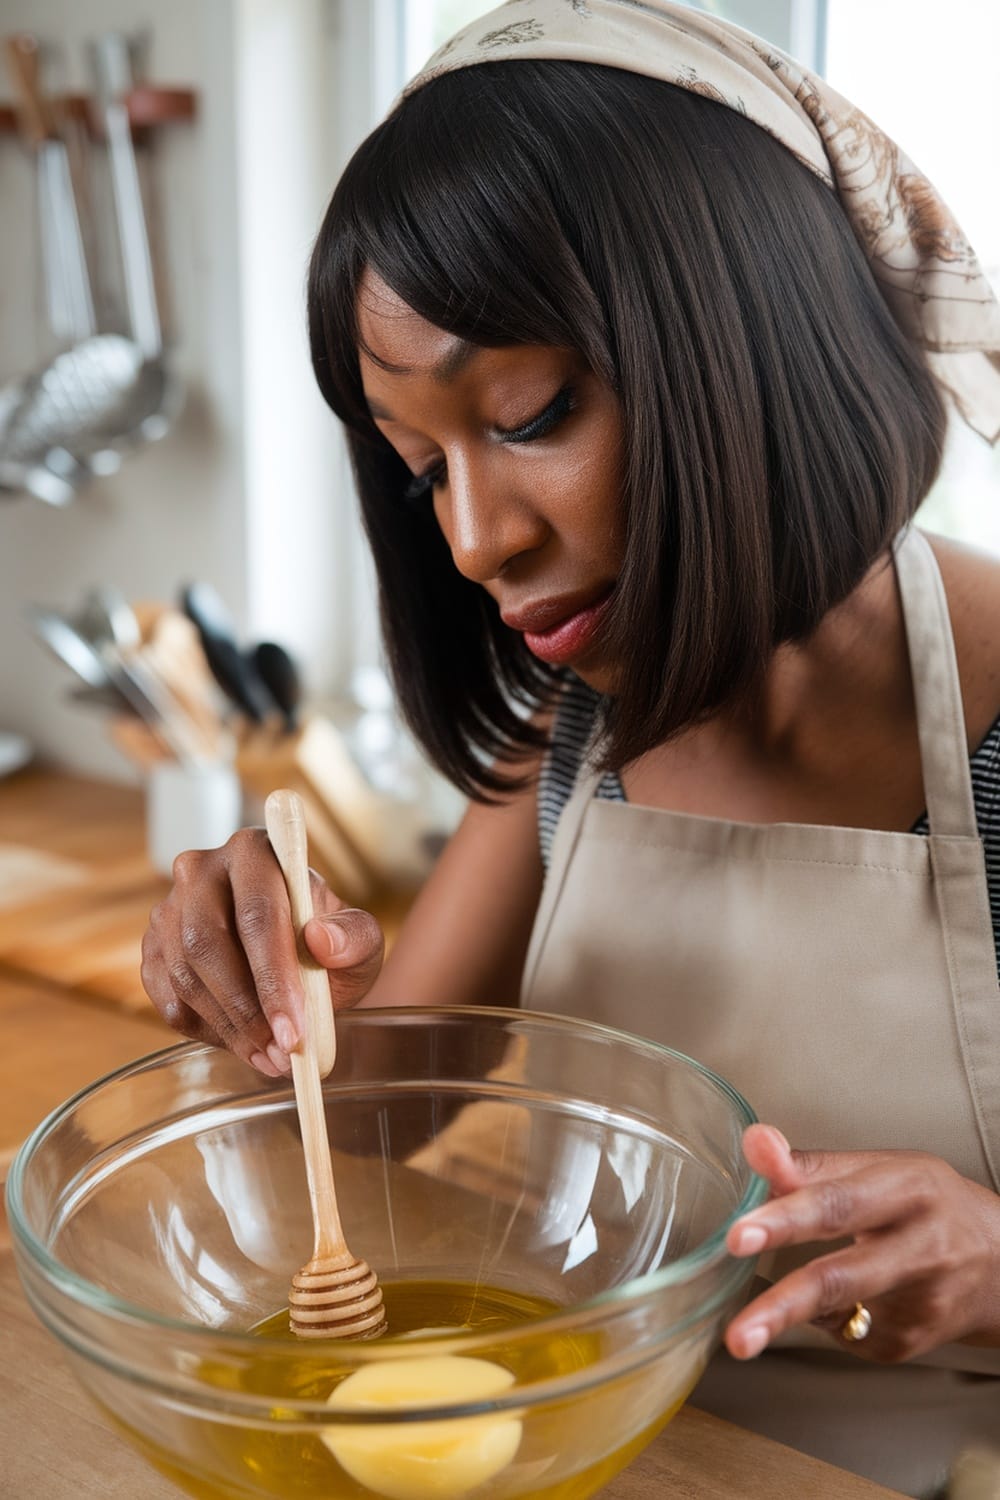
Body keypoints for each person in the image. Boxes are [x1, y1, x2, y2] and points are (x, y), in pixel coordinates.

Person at [140, 3, 1000, 1494]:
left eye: (530, 413)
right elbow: (382, 1131)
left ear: (756, 335)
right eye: (422, 474)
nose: (478, 538)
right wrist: (281, 997)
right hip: (626, 1449)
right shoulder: (574, 724)